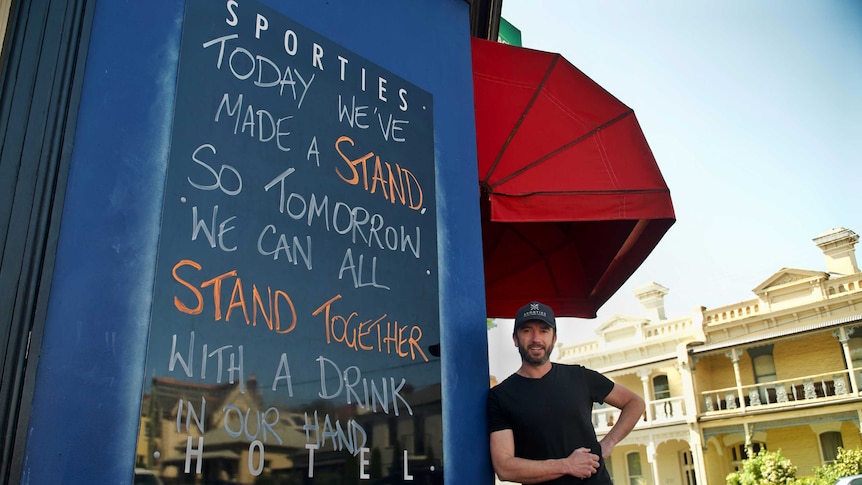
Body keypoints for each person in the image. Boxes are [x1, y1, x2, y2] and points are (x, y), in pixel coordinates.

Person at [487, 301, 645, 484]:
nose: (536, 338)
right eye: (527, 330)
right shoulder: (501, 396)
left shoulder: (581, 377)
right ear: (515, 339)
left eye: (544, 330)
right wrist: (567, 465)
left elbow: (635, 403)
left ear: (554, 338)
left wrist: (608, 443)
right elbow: (505, 468)